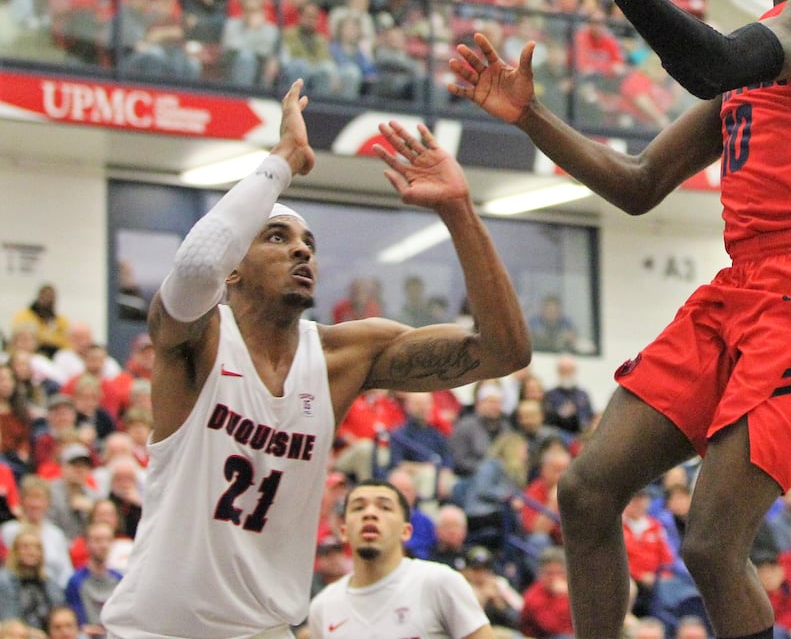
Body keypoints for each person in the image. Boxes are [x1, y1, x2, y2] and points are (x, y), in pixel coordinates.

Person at [454, 0, 791, 639]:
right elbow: (639, 181)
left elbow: (706, 61)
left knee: (713, 545)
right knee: (585, 492)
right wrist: (530, 117)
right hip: (745, 282)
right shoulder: (765, 65)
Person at [100, 82, 531, 639]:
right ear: (235, 268)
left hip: (267, 629)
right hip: (158, 630)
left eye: (309, 242)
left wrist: (459, 211)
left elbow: (504, 351)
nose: (302, 249)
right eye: (276, 237)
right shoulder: (196, 338)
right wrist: (283, 160)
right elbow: (194, 268)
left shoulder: (339, 356)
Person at [307, 478, 493, 639]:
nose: (370, 514)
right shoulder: (323, 607)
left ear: (406, 531)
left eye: (384, 507)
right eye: (358, 507)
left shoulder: (438, 582)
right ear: (343, 532)